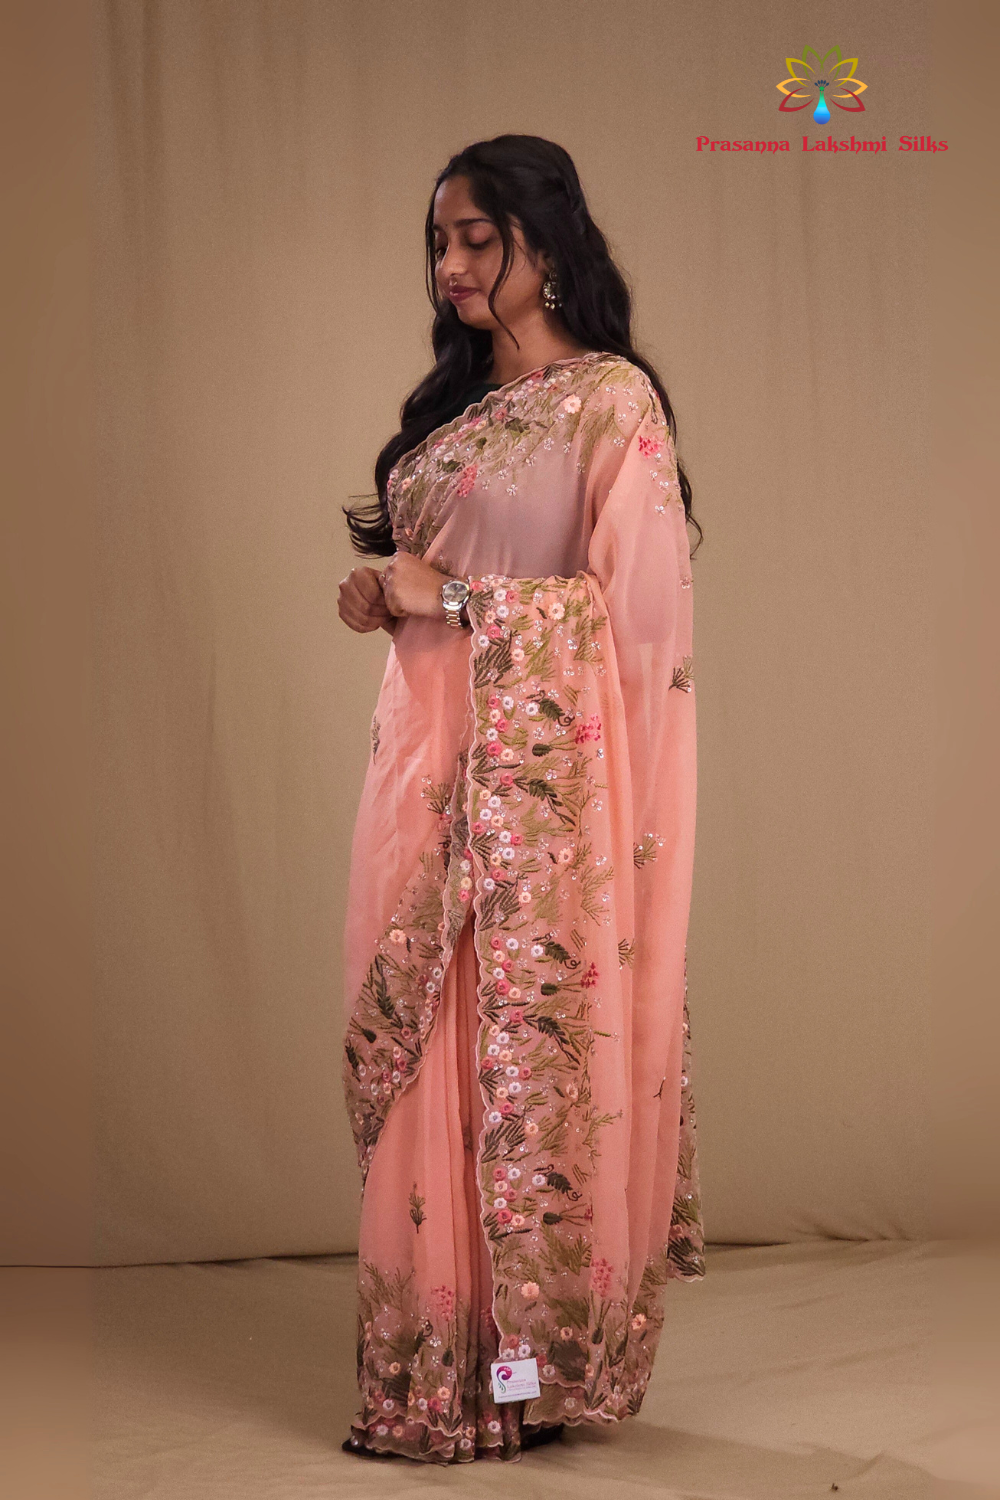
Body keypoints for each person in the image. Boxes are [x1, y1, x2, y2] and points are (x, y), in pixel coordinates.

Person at [336, 134, 706, 1466]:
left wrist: (456, 598)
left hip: (539, 812)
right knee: (415, 1052)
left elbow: (637, 625)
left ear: (546, 243)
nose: (450, 264)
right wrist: (385, 595)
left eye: (477, 239)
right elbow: (433, 590)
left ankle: (515, 1379)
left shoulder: (610, 405)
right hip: (418, 780)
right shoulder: (454, 414)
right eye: (439, 240)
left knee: (513, 1057)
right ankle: (430, 1376)